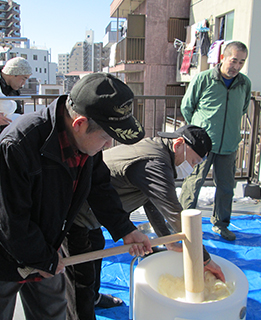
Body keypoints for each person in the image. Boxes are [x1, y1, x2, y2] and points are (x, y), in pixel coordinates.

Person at [0, 72, 152, 320]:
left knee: (52, 313)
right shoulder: (17, 145)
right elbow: (10, 221)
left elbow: (99, 186)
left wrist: (124, 229)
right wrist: (46, 260)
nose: (107, 146)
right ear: (79, 123)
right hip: (5, 255)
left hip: (46, 248)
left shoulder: (86, 144)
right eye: (106, 137)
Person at [66, 125, 226, 320]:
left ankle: (94, 297)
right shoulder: (155, 162)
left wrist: (167, 239)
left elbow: (151, 202)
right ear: (178, 144)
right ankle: (82, 310)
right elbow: (174, 212)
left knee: (96, 246)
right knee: (80, 278)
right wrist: (206, 260)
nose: (191, 168)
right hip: (77, 212)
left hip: (94, 213)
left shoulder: (160, 152)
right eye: (192, 161)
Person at [179, 41, 252, 241]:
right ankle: (183, 225)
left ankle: (221, 224)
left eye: (241, 62)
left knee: (227, 186)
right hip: (201, 145)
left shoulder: (245, 83)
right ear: (223, 58)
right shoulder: (203, 78)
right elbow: (187, 106)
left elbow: (243, 108)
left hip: (228, 143)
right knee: (193, 183)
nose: (236, 66)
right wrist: (197, 132)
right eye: (234, 60)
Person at [0, 56, 32, 131]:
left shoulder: (14, 90)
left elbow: (18, 112)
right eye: (23, 78)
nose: (23, 83)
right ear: (14, 73)